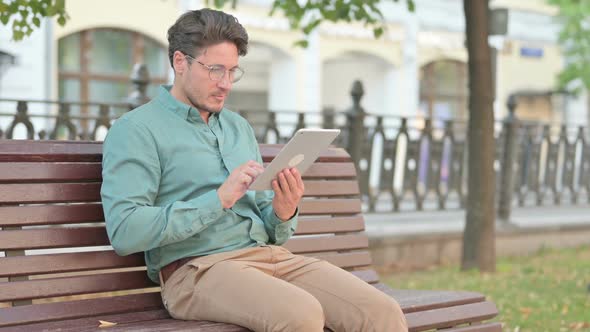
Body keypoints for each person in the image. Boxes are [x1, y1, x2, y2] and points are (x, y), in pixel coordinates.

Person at [101, 8, 407, 332]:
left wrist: (283, 211)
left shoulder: (237, 128)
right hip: (196, 271)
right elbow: (125, 230)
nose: (226, 84)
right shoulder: (137, 130)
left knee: (380, 312)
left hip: (268, 258)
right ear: (180, 62)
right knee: (300, 314)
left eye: (233, 71)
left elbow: (273, 228)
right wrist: (218, 199)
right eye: (215, 70)